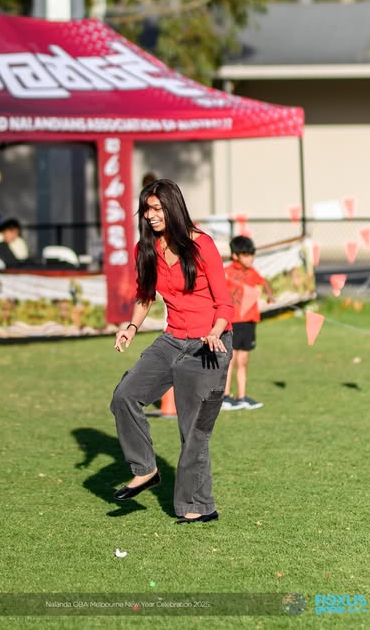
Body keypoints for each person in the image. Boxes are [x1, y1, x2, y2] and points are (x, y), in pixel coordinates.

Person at [110, 178, 233, 524]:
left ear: (173, 208)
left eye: (157, 208)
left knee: (193, 429)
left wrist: (214, 331)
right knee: (125, 396)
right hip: (172, 339)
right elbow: (145, 294)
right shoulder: (145, 248)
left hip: (211, 344)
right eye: (146, 209)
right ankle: (145, 470)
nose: (150, 216)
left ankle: (198, 506)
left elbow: (225, 302)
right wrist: (131, 327)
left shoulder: (201, 245)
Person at [222, 235, 274, 411]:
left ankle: (242, 396)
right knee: (230, 359)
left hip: (249, 322)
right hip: (232, 322)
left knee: (243, 361)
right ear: (235, 255)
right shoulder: (226, 273)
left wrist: (270, 295)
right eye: (246, 255)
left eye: (252, 255)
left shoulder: (252, 273)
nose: (250, 259)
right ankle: (225, 396)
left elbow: (264, 282)